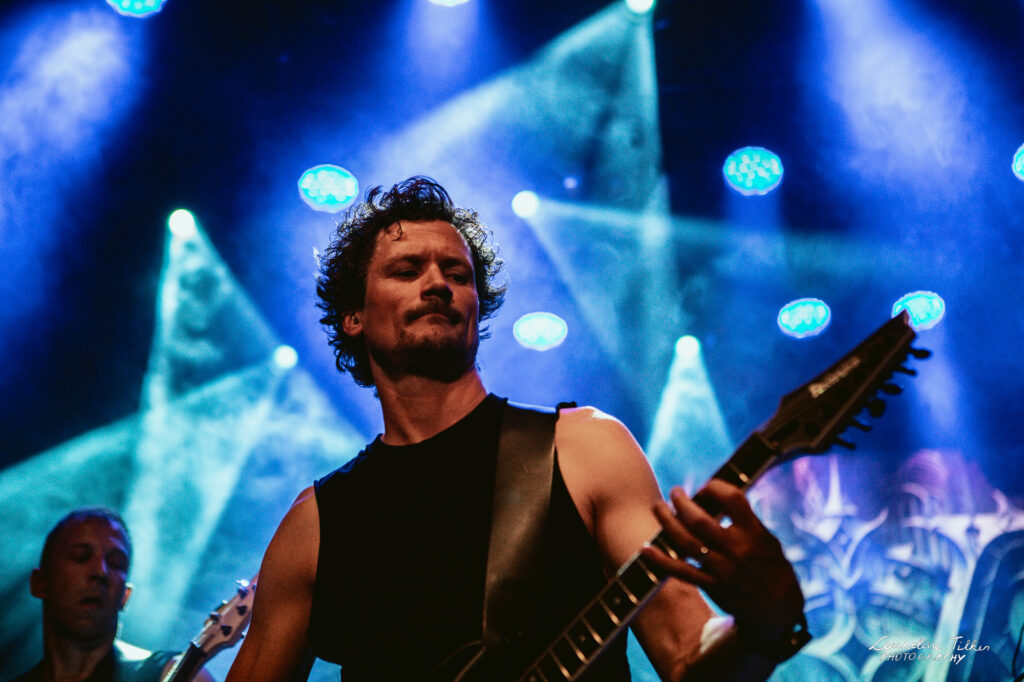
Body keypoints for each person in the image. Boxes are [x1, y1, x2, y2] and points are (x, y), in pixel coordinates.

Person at [227, 177, 807, 681]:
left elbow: (687, 655)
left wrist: (764, 627)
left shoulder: (583, 449)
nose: (438, 284)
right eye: (407, 270)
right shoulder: (315, 525)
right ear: (353, 316)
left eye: (457, 273)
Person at [11, 508, 215, 682]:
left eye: (116, 563)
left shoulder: (174, 674)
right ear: (41, 583)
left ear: (125, 596)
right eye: (81, 557)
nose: (101, 572)